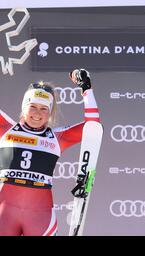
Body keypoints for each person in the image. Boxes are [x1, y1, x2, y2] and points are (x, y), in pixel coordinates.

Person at [0, 69, 100, 236]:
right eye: (33, 107)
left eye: (44, 109)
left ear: (50, 113)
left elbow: (93, 127)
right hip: (4, 214)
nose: (37, 113)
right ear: (24, 107)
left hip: (41, 217)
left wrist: (86, 89)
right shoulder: (5, 129)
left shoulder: (58, 138)